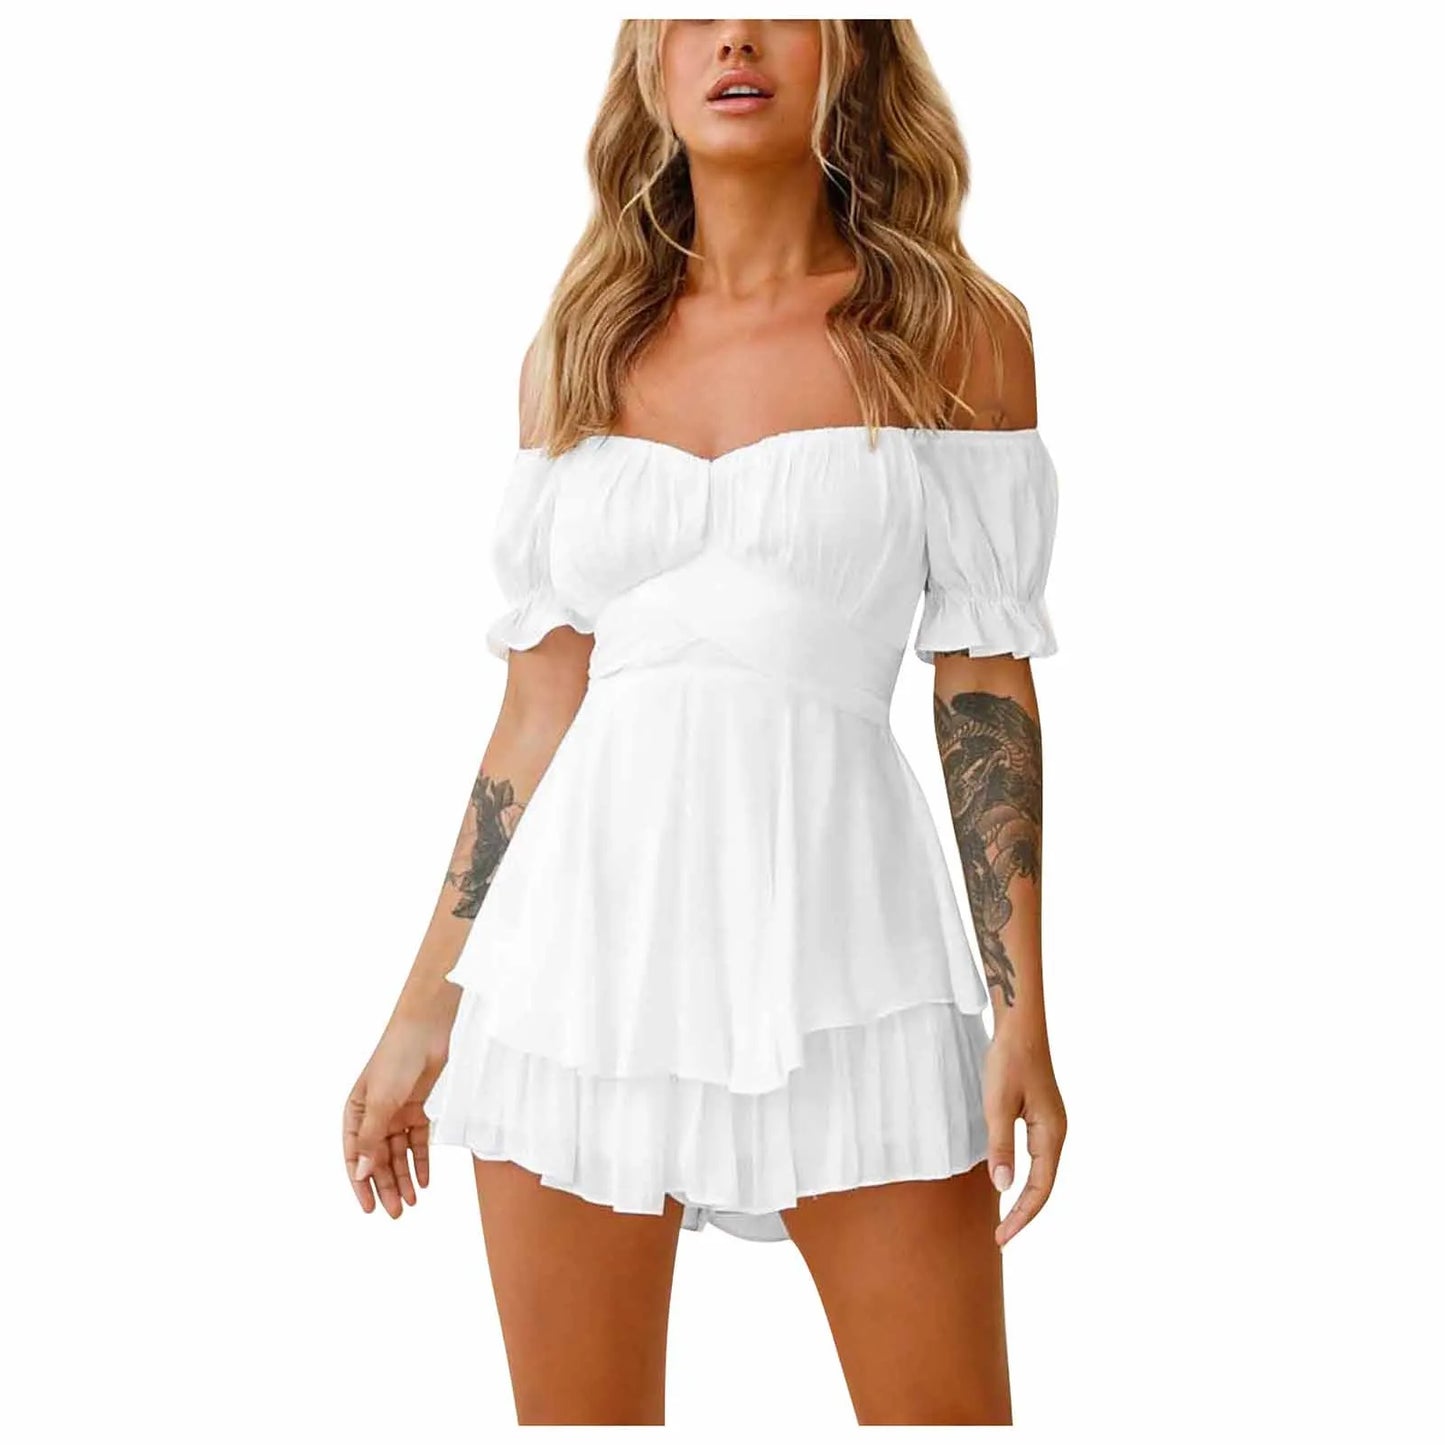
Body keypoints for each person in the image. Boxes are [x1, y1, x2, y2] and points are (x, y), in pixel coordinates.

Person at [342, 18, 1066, 1427]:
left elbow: (982, 680)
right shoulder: (578, 349)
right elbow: (536, 708)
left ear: (852, 49)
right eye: (692, 8)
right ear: (651, 62)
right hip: (572, 980)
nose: (735, 33)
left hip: (850, 959)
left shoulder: (951, 332)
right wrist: (423, 1010)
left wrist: (1021, 1008)